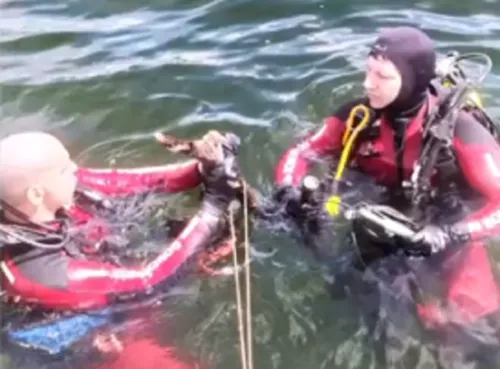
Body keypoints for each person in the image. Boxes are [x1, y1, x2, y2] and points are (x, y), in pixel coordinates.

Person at [274, 26, 500, 367]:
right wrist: (289, 188)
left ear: (414, 80)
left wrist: (451, 234)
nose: (368, 84)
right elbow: (301, 151)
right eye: (368, 70)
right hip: (375, 211)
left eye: (383, 75)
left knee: (480, 336)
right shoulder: (355, 117)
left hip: (447, 217)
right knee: (380, 313)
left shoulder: (462, 130)